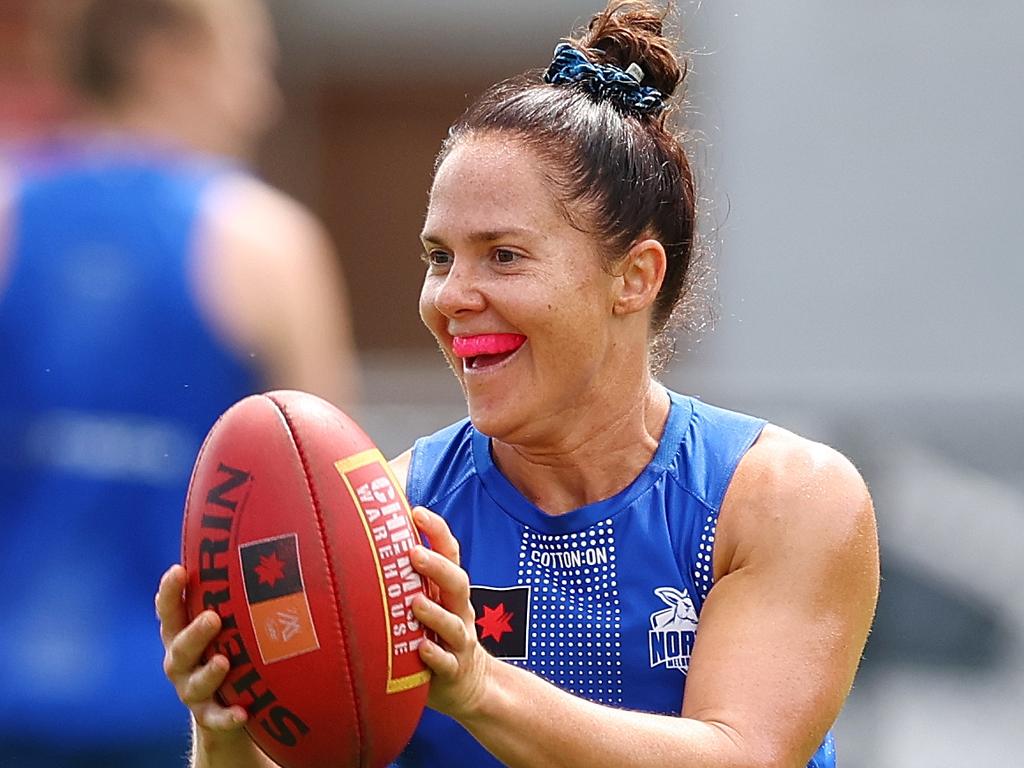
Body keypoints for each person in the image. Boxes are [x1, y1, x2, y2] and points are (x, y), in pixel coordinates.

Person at [156, 2, 879, 766]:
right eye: (440, 258)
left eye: (502, 255)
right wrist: (230, 727)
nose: (452, 297)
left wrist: (477, 686)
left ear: (634, 277)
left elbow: (743, 756)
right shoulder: (386, 523)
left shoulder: (779, 499)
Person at [0, 0, 356, 764]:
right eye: (251, 61)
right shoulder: (271, 245)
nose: (266, 98)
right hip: (196, 719)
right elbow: (335, 522)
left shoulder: (7, 218)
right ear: (167, 54)